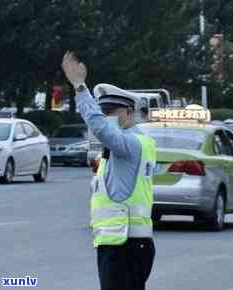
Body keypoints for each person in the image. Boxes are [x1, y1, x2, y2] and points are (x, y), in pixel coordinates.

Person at [61, 51, 157, 290]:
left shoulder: (130, 144)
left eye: (111, 112)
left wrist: (80, 87)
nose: (105, 118)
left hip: (125, 244)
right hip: (121, 243)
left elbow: (100, 128)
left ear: (129, 112)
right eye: (103, 112)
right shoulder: (123, 147)